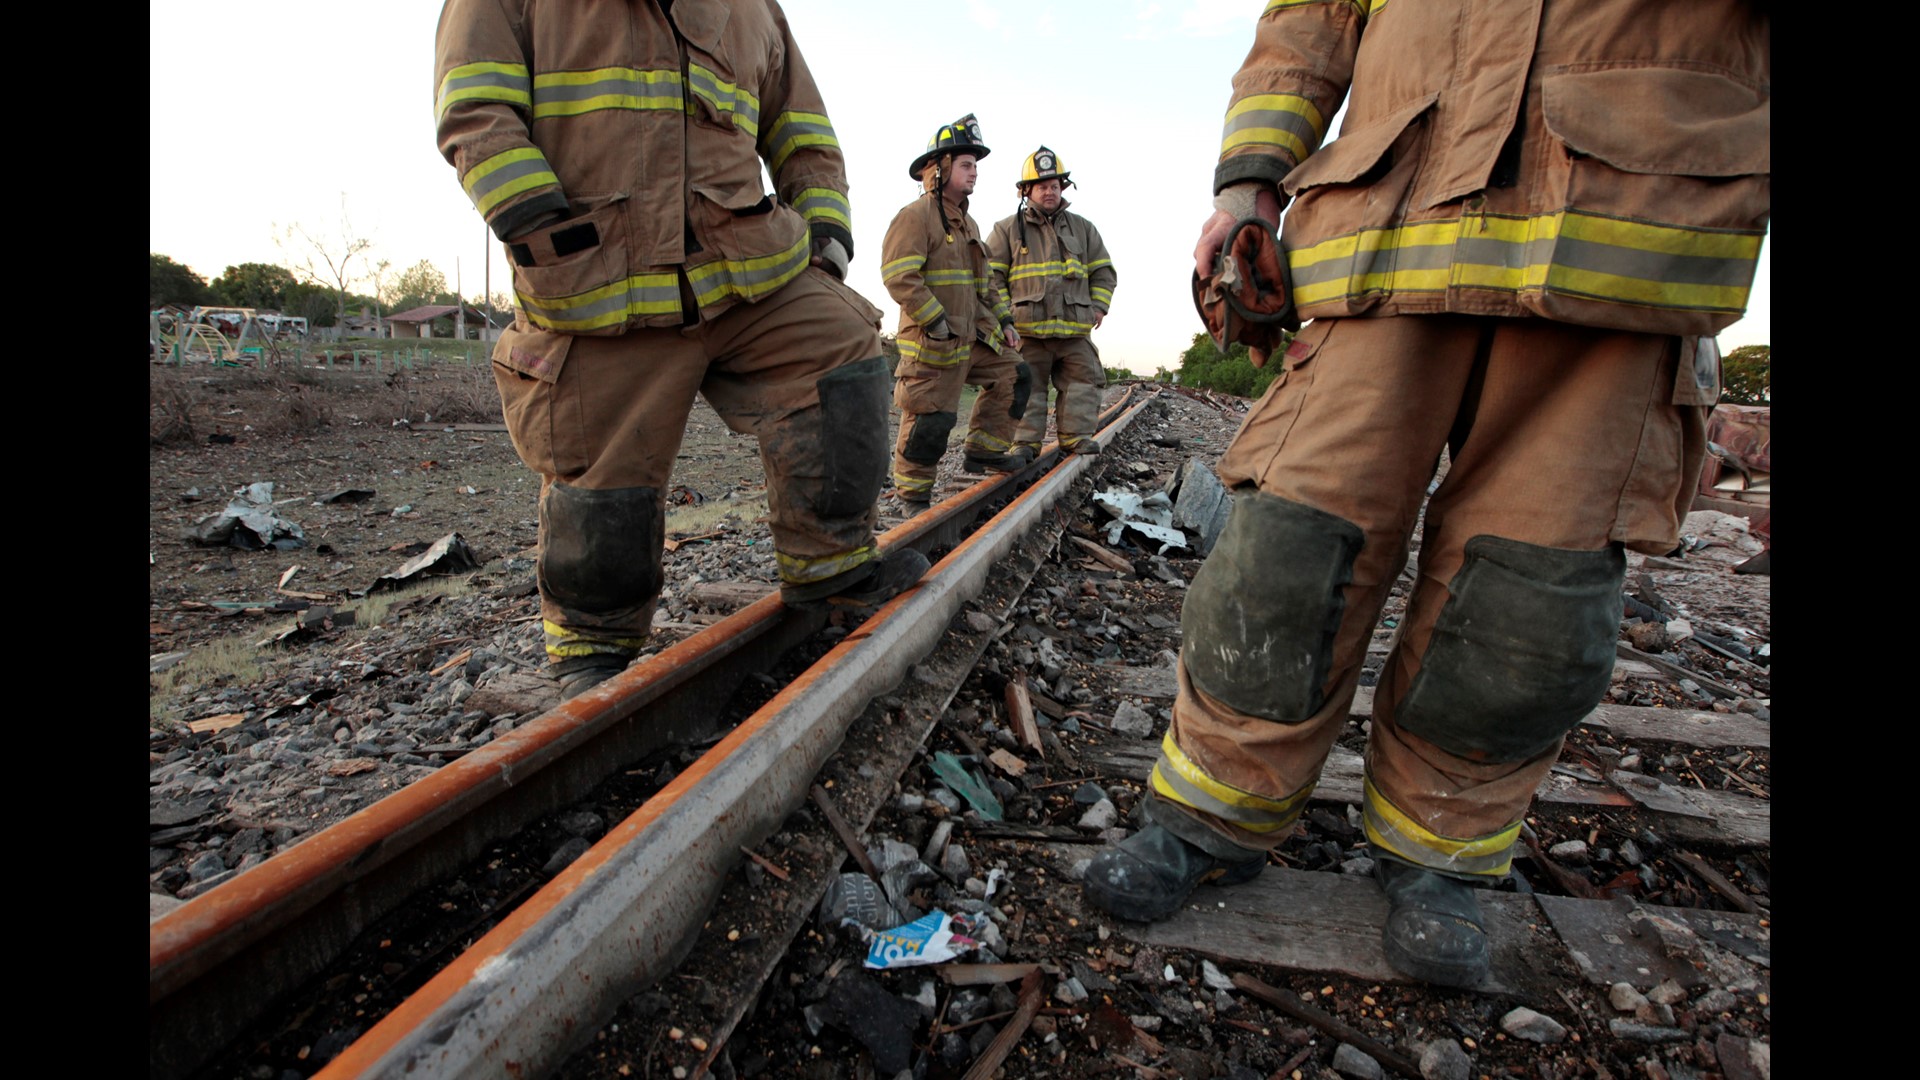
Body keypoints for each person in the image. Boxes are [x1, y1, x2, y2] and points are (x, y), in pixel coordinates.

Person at [1083, 0, 1770, 989]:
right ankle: (1211, 812)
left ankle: (1439, 855)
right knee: (1282, 554)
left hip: (1626, 241)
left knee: (1528, 604)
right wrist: (1249, 185)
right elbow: (1313, 19)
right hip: (1385, 229)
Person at [434, 0, 928, 700]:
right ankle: (594, 648)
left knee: (839, 347)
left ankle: (832, 570)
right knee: (606, 474)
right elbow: (474, 111)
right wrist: (545, 230)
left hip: (749, 270)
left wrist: (827, 241)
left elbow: (803, 128)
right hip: (602, 281)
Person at [880, 114, 1034, 511]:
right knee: (930, 420)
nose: (975, 173)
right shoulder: (915, 217)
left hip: (970, 340)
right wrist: (935, 321)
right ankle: (913, 500)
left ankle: (983, 451)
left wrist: (1005, 322)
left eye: (976, 166)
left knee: (1014, 374)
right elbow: (899, 275)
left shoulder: (969, 225)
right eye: (966, 165)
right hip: (932, 343)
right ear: (940, 169)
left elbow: (986, 286)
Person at [986, 147, 1117, 457]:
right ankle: (1025, 445)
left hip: (1074, 332)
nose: (1050, 192)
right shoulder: (1006, 230)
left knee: (1083, 384)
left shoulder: (1083, 228)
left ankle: (1076, 439)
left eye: (1055, 186)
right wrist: (1005, 319)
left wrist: (1098, 307)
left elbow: (1104, 272)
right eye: (1042, 186)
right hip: (1027, 332)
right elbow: (990, 279)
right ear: (1026, 190)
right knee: (1027, 389)